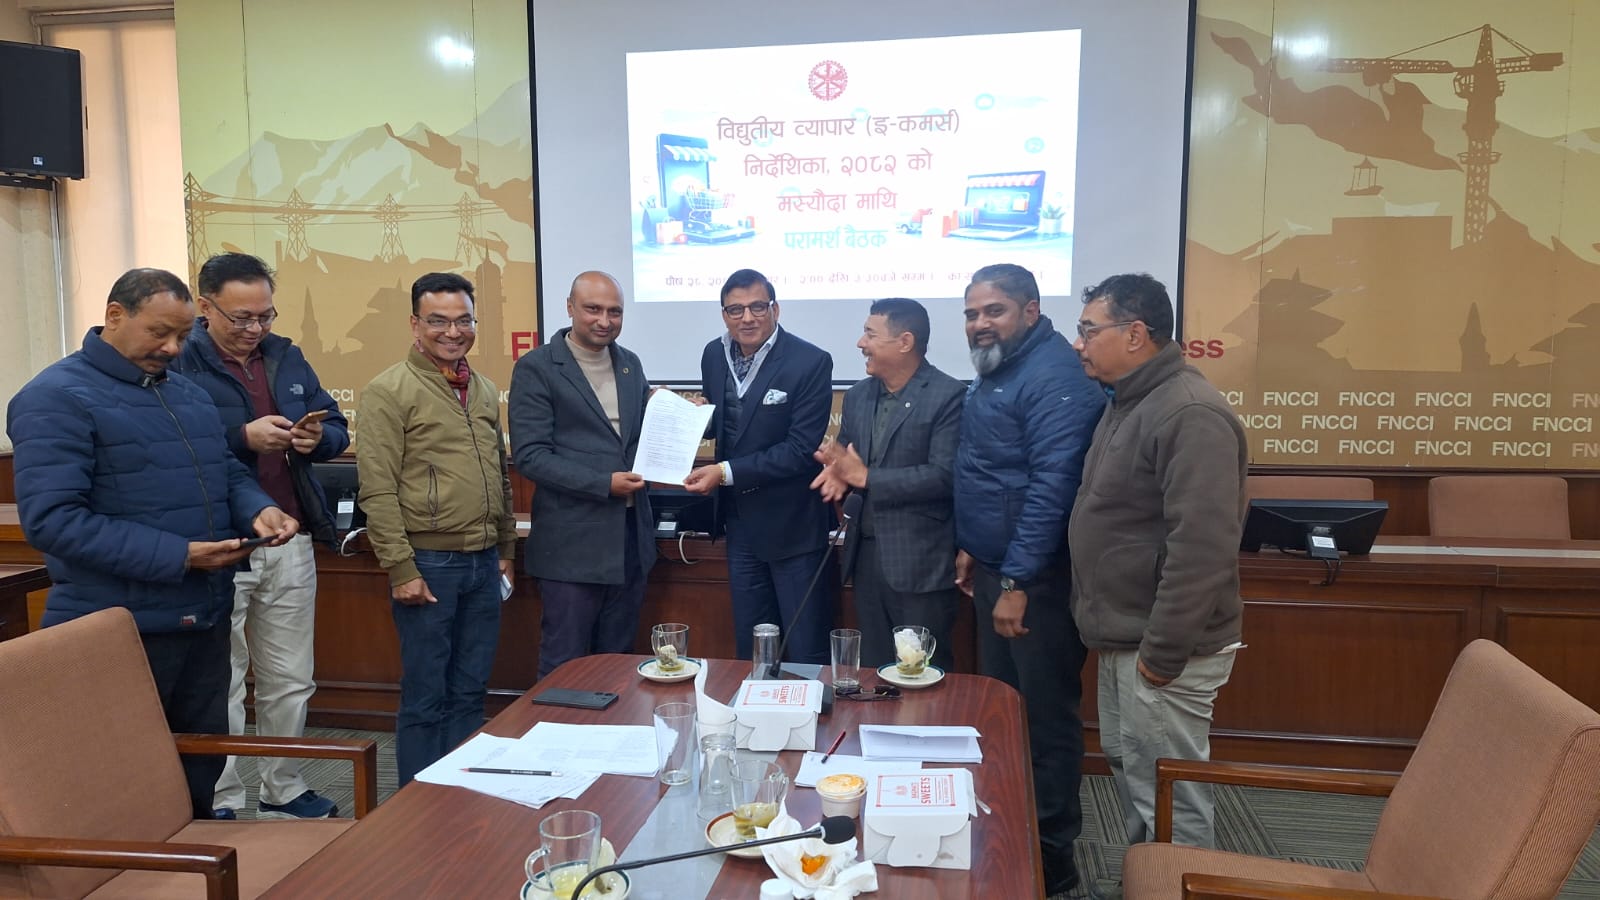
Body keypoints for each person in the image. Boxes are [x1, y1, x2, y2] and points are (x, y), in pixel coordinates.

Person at [6, 267, 299, 819]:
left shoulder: (185, 392)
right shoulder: (54, 398)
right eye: (159, 333)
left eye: (183, 336)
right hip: (116, 627)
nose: (172, 348)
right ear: (115, 316)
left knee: (197, 774)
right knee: (117, 787)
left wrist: (258, 507)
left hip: (203, 617)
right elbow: (53, 521)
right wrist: (179, 556)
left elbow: (224, 472)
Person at [1068, 273, 1247, 858]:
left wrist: (1162, 655)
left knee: (1170, 793)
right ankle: (1148, 880)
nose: (1079, 343)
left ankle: (1178, 884)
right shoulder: (1129, 400)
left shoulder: (1189, 412)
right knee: (1136, 774)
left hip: (1164, 648)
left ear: (1135, 334)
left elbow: (1203, 548)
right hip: (1128, 636)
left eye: (1089, 330)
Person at [172, 252, 349, 820]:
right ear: (205, 308)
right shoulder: (179, 361)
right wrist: (241, 437)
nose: (255, 328)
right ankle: (221, 798)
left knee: (291, 677)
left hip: (291, 534)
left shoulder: (285, 355)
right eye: (241, 317)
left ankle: (284, 788)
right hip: (221, 544)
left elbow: (335, 424)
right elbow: (175, 446)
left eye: (265, 315)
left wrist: (317, 439)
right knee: (222, 680)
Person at [951, 263, 1104, 895]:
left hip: (1036, 583)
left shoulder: (1053, 377)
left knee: (1042, 721)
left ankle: (1052, 858)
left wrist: (1015, 578)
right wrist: (977, 547)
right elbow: (991, 469)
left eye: (995, 311)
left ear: (1032, 311)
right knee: (1004, 714)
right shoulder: (1003, 367)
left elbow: (1052, 488)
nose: (980, 324)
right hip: (999, 568)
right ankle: (1012, 840)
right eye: (972, 314)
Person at [356, 272, 517, 786]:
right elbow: (377, 490)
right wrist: (401, 569)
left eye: (463, 320)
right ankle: (416, 806)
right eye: (439, 321)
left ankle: (459, 795)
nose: (453, 332)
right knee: (426, 695)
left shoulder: (484, 388)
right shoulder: (388, 391)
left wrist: (506, 548)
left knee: (470, 692)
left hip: (483, 562)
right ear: (415, 325)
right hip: (428, 565)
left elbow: (500, 475)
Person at [509, 271, 656, 678]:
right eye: (593, 309)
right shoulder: (537, 367)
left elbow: (639, 437)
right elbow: (531, 457)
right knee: (566, 666)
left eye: (615, 312)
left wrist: (680, 413)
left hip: (629, 542)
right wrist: (604, 484)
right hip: (571, 549)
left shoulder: (630, 364)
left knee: (619, 665)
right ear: (570, 307)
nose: (604, 321)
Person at [684, 269, 835, 663]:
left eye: (757, 307)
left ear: (775, 309)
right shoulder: (713, 354)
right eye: (735, 310)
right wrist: (697, 417)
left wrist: (724, 473)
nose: (747, 318)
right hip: (740, 525)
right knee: (753, 643)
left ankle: (810, 706)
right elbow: (728, 426)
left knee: (804, 647)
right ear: (724, 314)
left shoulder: (810, 361)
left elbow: (799, 449)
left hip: (793, 527)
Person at [812, 298, 964, 669]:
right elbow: (847, 456)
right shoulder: (858, 395)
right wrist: (837, 471)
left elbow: (944, 476)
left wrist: (866, 477)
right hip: (865, 557)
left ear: (905, 341)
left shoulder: (948, 396)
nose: (860, 343)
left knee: (922, 671)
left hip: (920, 563)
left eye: (870, 334)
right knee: (875, 670)